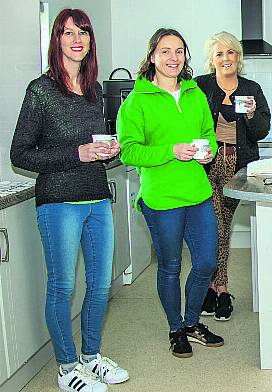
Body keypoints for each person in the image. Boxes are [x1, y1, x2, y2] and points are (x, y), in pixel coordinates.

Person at [10, 8, 129, 392]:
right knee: (62, 286)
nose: (77, 39)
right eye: (67, 33)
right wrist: (76, 154)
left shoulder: (94, 91)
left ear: (90, 40)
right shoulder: (40, 90)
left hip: (96, 197)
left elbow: (92, 145)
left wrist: (107, 151)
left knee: (99, 286)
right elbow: (21, 154)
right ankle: (66, 367)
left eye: (83, 32)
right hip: (58, 202)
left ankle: (91, 358)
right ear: (56, 40)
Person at [117, 28, 224, 358]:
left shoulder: (195, 95)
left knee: (206, 263)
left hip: (198, 193)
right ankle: (176, 328)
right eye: (165, 51)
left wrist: (209, 152)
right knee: (171, 266)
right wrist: (170, 151)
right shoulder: (136, 101)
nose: (173, 58)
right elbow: (129, 152)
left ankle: (192, 322)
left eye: (179, 51)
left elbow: (209, 134)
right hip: (161, 199)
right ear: (152, 56)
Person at [194, 31, 271, 321]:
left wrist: (251, 115)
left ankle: (214, 289)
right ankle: (221, 289)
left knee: (220, 226)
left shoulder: (252, 88)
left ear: (238, 57)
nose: (226, 59)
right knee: (217, 227)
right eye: (219, 54)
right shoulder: (200, 87)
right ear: (211, 60)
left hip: (237, 167)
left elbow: (261, 132)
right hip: (206, 166)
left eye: (231, 53)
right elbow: (189, 122)